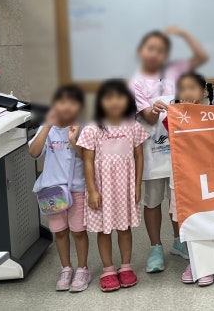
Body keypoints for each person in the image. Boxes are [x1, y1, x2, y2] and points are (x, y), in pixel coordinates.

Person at [128, 27, 208, 274]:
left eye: (161, 50)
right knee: (152, 201)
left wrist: (184, 34)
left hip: (179, 150)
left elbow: (202, 57)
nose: (155, 54)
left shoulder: (176, 73)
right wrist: (154, 110)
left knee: (178, 199)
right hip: (151, 151)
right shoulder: (136, 82)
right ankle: (155, 247)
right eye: (151, 49)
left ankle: (179, 241)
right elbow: (149, 118)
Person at [78, 79, 150, 292]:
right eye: (109, 97)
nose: (115, 102)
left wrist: (137, 186)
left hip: (125, 187)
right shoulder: (92, 129)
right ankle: (108, 269)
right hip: (102, 189)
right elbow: (87, 161)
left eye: (120, 97)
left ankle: (126, 267)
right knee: (104, 230)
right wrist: (92, 190)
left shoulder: (134, 127)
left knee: (124, 228)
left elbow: (139, 156)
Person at [28, 85, 90, 293]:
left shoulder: (83, 128)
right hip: (52, 192)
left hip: (76, 189)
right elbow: (33, 153)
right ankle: (66, 268)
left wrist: (73, 140)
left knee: (78, 231)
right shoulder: (48, 128)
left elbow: (88, 158)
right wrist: (47, 126)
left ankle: (82, 269)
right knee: (60, 232)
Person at [163, 72, 214, 286]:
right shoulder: (174, 115)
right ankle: (195, 261)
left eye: (191, 88)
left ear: (203, 91)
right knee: (187, 220)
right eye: (182, 89)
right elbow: (170, 130)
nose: (186, 93)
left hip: (206, 178)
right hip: (182, 178)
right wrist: (182, 111)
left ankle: (207, 263)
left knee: (206, 219)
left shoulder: (212, 113)